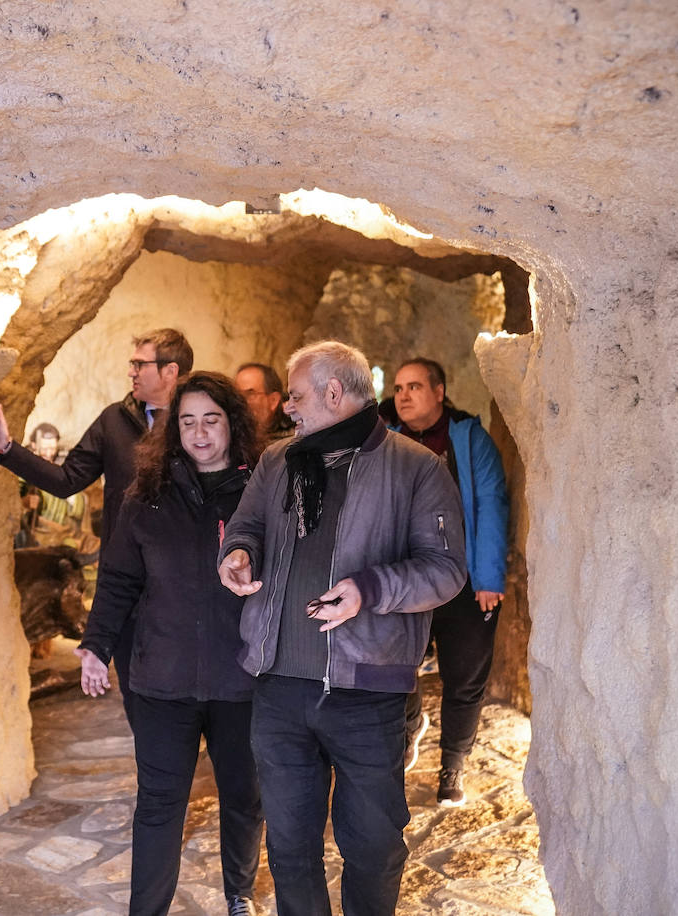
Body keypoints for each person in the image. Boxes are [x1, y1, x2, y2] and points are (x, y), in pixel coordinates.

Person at [218, 341, 467, 916]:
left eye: (299, 396)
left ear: (334, 392)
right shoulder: (278, 461)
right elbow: (248, 525)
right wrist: (238, 553)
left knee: (374, 846)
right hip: (279, 686)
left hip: (366, 691)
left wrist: (369, 590)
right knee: (289, 847)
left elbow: (447, 571)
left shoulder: (416, 466)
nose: (289, 410)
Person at [76, 372, 264, 916]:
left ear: (233, 423)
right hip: (162, 678)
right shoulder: (147, 495)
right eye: (188, 421)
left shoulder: (261, 492)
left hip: (241, 677)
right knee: (159, 803)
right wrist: (95, 645)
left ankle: (239, 893)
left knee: (243, 798)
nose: (200, 433)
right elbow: (117, 579)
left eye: (212, 420)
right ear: (173, 428)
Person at [0, 329, 193, 714]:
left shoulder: (199, 422)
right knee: (138, 698)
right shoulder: (114, 420)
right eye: (133, 363)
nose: (132, 372)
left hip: (185, 583)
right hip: (125, 583)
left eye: (139, 364)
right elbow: (66, 480)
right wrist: (7, 449)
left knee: (188, 693)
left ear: (170, 371)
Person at [390, 358, 510, 807]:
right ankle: (408, 726)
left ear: (439, 392)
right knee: (398, 667)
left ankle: (453, 764)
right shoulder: (390, 444)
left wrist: (490, 577)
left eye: (415, 386)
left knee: (464, 678)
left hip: (465, 582)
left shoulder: (469, 439)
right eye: (399, 387)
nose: (404, 395)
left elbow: (493, 506)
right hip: (412, 579)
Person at [15, 422, 88, 549]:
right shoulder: (26, 467)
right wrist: (24, 502)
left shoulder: (61, 466)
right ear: (34, 446)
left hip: (63, 531)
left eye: (52, 449)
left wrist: (74, 499)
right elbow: (12, 495)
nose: (48, 453)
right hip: (37, 533)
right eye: (44, 449)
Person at [234, 362, 295, 442]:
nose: (241, 401)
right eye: (237, 395)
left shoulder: (295, 440)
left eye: (250, 394)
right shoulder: (234, 438)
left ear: (273, 400)